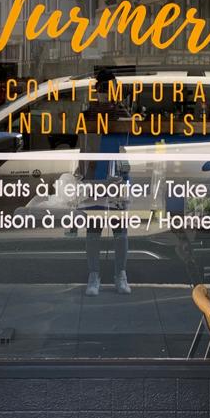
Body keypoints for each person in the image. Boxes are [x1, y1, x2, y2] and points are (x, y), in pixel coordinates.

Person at [79, 69, 132, 296]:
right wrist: (81, 175)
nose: (106, 94)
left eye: (110, 89)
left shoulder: (121, 113)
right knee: (94, 228)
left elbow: (128, 141)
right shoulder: (88, 114)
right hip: (94, 174)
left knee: (120, 230)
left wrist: (119, 110)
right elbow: (83, 146)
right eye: (102, 89)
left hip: (117, 174)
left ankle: (120, 274)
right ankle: (94, 274)